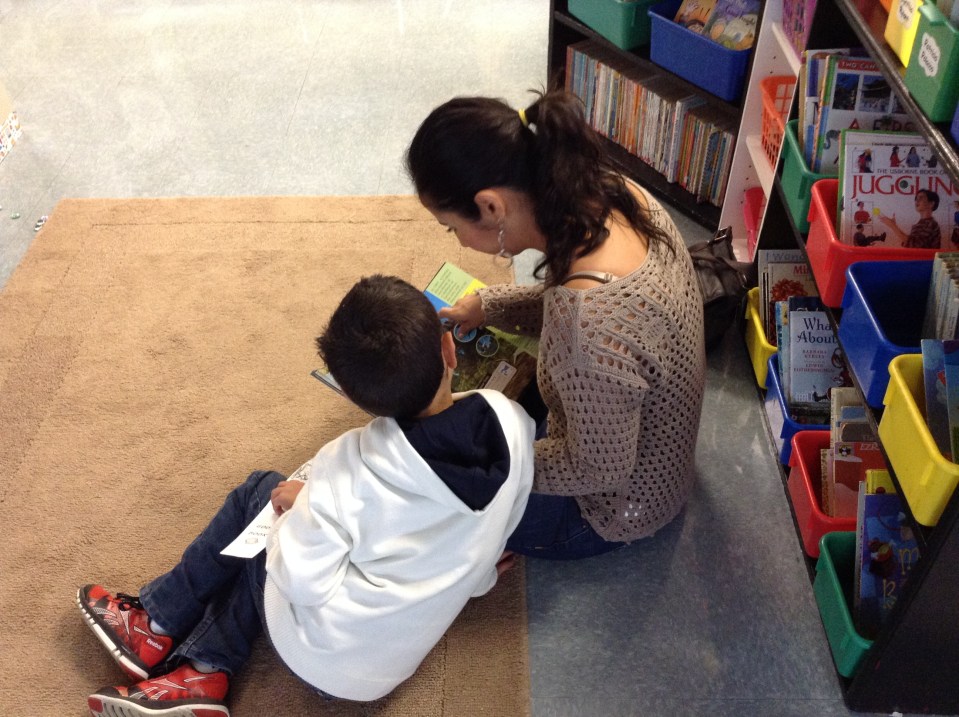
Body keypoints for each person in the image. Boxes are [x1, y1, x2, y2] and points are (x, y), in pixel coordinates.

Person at [77, 275, 536, 716]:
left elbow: (302, 581)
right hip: (384, 671)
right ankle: (199, 670)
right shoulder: (514, 424)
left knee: (261, 496)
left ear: (355, 398)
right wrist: (480, 579)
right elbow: (499, 530)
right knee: (279, 522)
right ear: (449, 348)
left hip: (322, 658)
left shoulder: (347, 466)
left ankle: (156, 627)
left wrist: (299, 512)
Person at [405, 90, 706, 560]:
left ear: (490, 207)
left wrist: (481, 467)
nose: (457, 240)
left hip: (612, 507)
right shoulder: (612, 192)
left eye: (450, 227)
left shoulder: (585, 326)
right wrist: (490, 305)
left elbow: (597, 470)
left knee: (426, 494)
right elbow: (607, 322)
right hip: (648, 446)